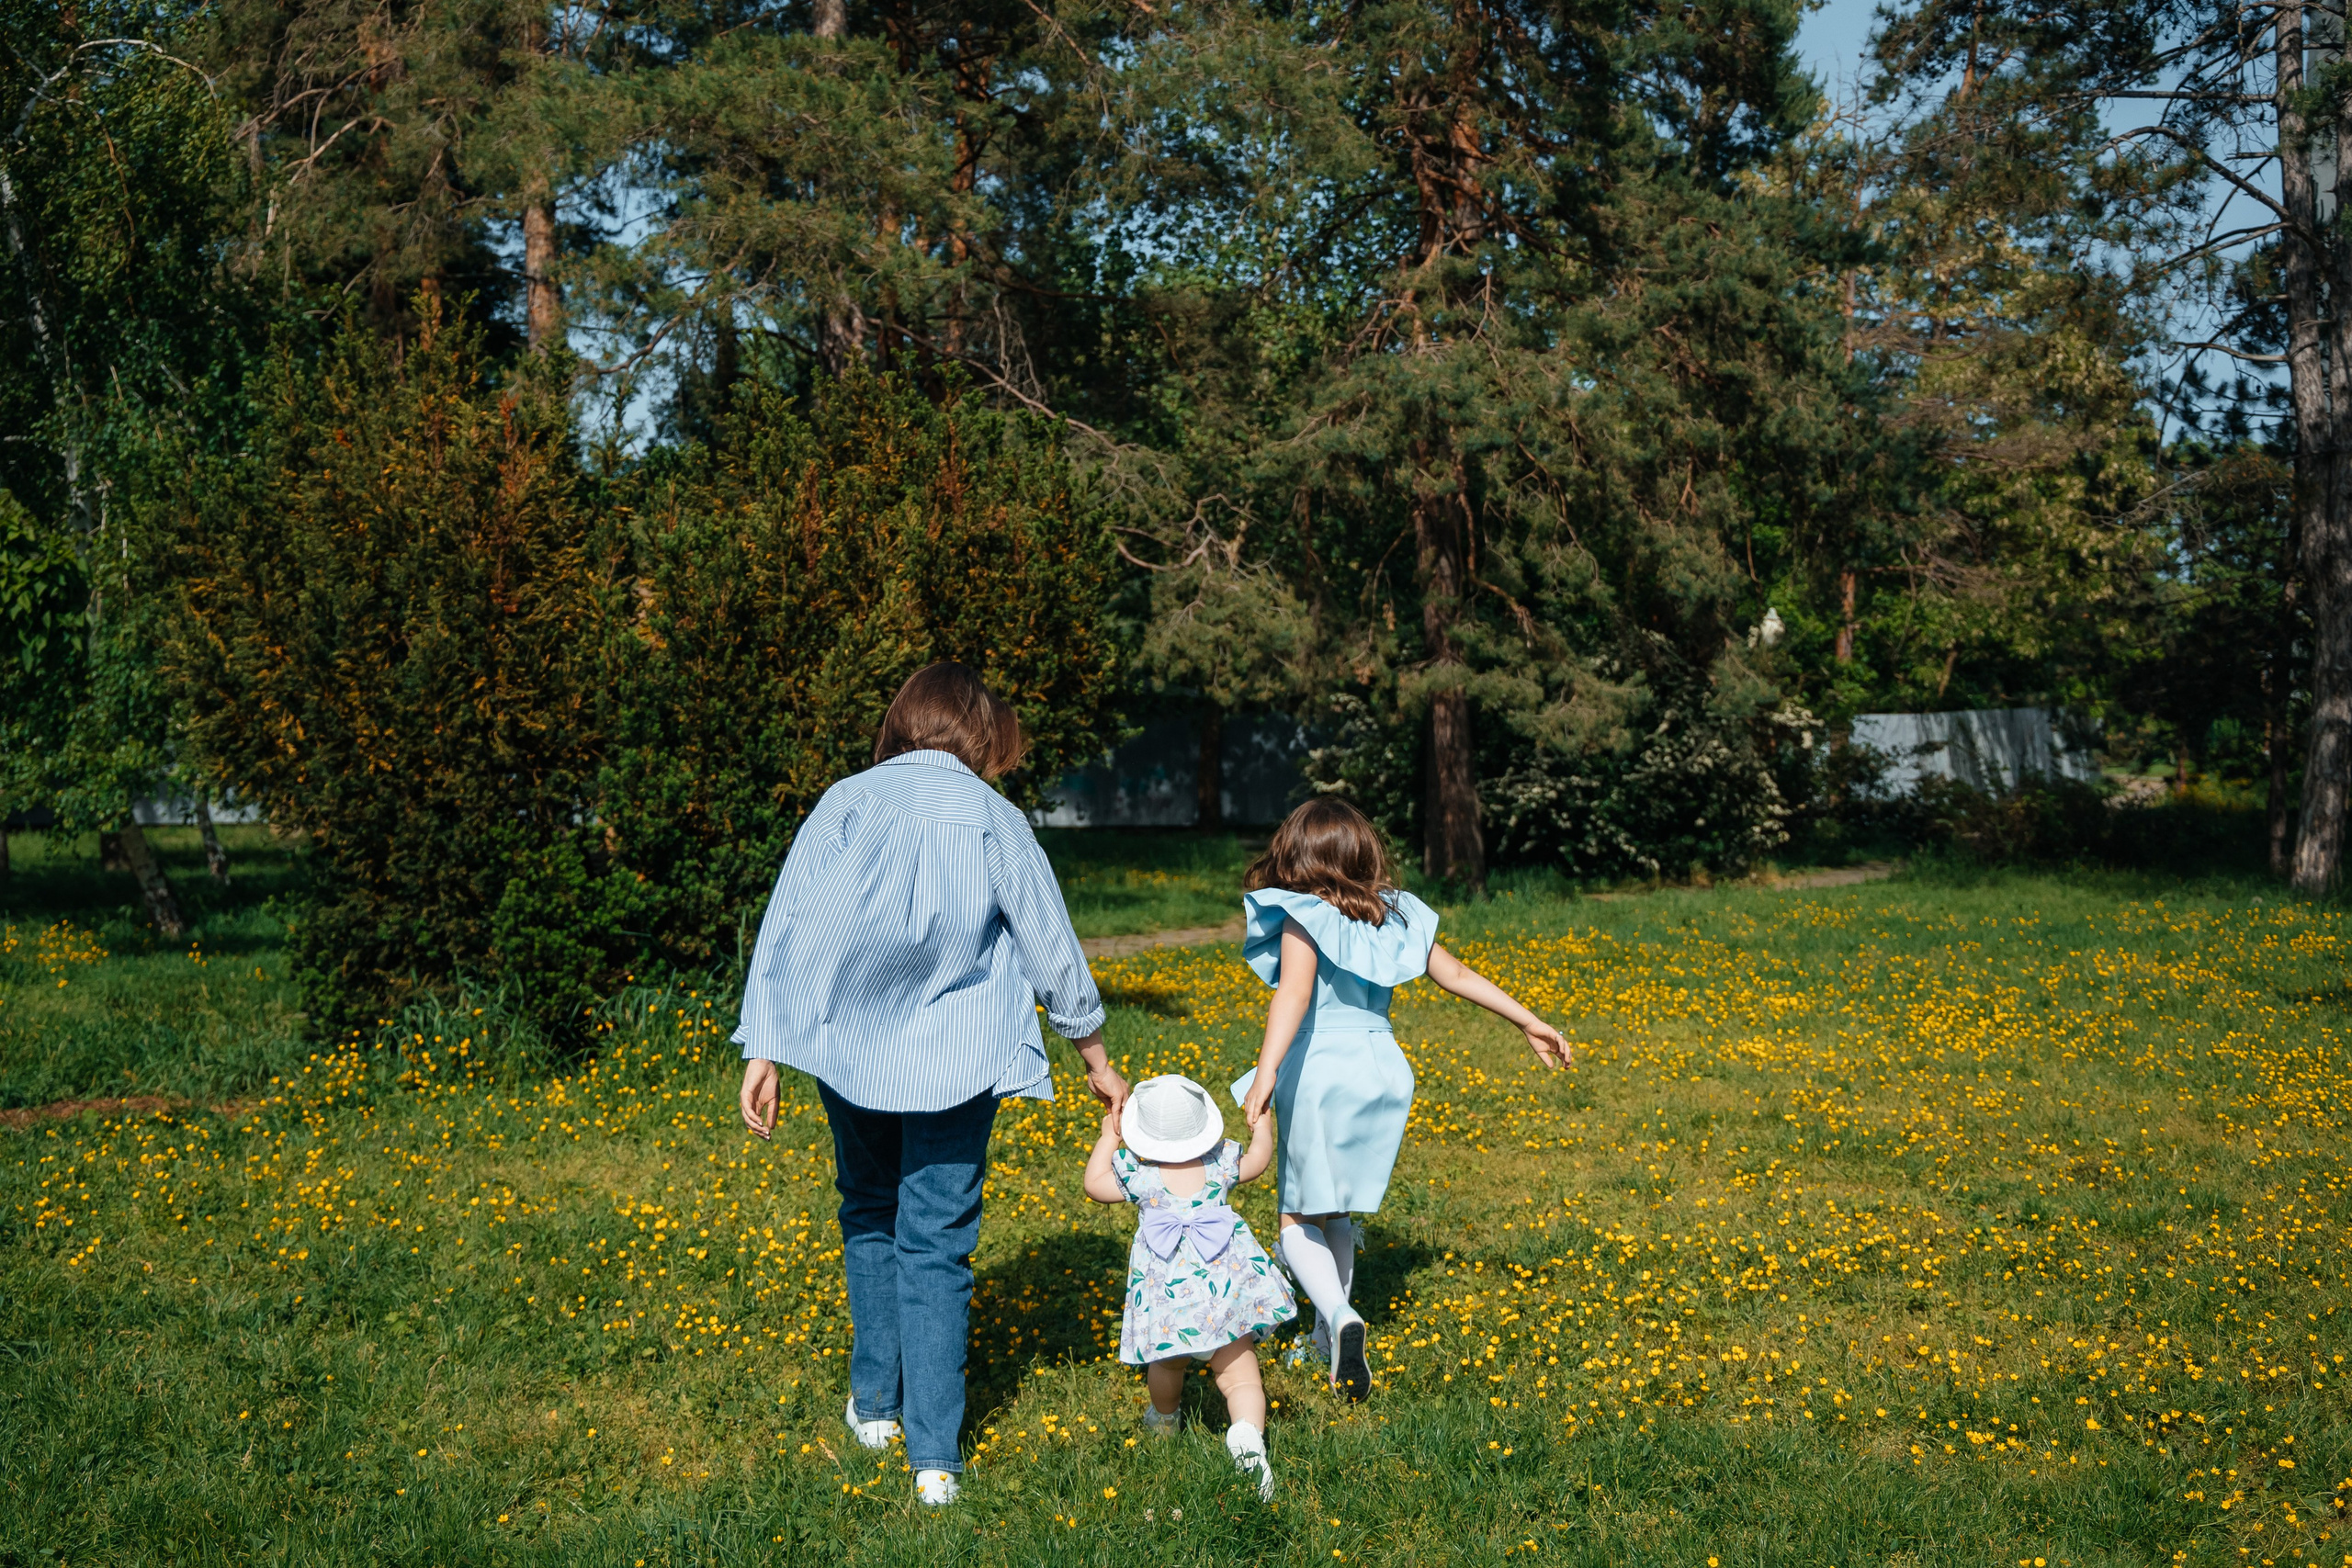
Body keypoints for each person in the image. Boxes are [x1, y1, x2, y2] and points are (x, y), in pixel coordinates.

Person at [734, 662, 1129, 1507]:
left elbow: (789, 919)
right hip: (958, 1060)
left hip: (854, 1052)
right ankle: (935, 1459)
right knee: (937, 1241)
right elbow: (1049, 941)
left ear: (903, 721)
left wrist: (762, 1045)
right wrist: (1095, 1057)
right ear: (980, 730)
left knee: (870, 1209)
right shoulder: (995, 817)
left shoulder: (846, 799)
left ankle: (876, 1407)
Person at [1233, 797, 1571, 1402]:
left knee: (1294, 1217)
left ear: (1298, 855)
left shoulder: (1302, 914)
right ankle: (1322, 1339)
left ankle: (1337, 1313)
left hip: (1321, 1069)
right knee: (1337, 1210)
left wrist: (1264, 1072)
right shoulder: (1397, 913)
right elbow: (1458, 974)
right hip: (1383, 1069)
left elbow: (1293, 995)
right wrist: (1529, 1021)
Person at [1082, 1073, 1295, 1500]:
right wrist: (1264, 1127)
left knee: (1167, 1366)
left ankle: (1164, 1420)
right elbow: (1257, 1161)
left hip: (1170, 1307)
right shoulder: (1220, 1161)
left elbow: (1094, 1185)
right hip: (1224, 1299)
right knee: (1240, 1379)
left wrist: (1108, 1137)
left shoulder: (1139, 1174)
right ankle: (1248, 1438)